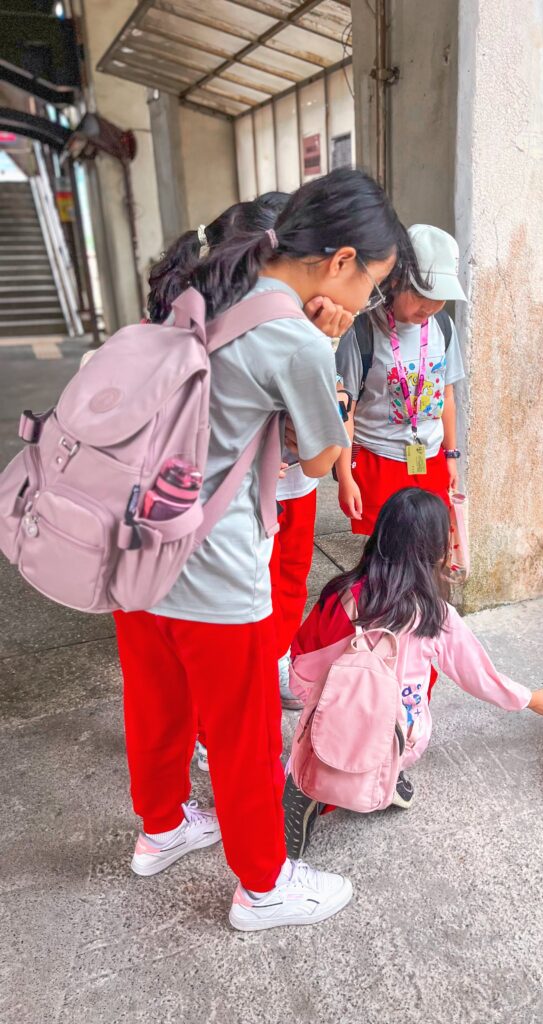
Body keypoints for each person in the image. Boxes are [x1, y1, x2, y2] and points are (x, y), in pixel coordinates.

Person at [113, 168, 400, 932]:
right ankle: (264, 887)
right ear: (340, 261)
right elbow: (315, 457)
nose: (363, 305)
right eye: (370, 286)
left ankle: (161, 829)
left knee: (155, 702)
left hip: (135, 544)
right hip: (210, 566)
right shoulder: (294, 335)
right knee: (241, 732)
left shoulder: (203, 281)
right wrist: (326, 348)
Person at [148, 192, 353, 723]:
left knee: (290, 579)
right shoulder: (219, 318)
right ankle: (222, 708)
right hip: (234, 503)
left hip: (287, 488)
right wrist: (317, 346)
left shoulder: (289, 320)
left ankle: (273, 662)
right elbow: (317, 450)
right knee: (238, 610)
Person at [282, 488, 543, 858]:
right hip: (399, 734)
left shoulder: (342, 595)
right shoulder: (435, 616)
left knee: (329, 729)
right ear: (435, 549)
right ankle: (388, 772)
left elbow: (301, 663)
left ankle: (309, 786)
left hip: (330, 722)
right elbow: (478, 675)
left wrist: (323, 698)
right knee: (403, 724)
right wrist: (529, 698)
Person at [335, 224, 466, 536]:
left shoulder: (443, 328)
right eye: (422, 294)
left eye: (440, 298)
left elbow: (446, 397)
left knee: (427, 546)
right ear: (395, 280)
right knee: (382, 550)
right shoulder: (363, 332)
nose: (431, 307)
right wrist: (345, 475)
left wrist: (450, 456)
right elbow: (345, 410)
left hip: (429, 458)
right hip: (377, 460)